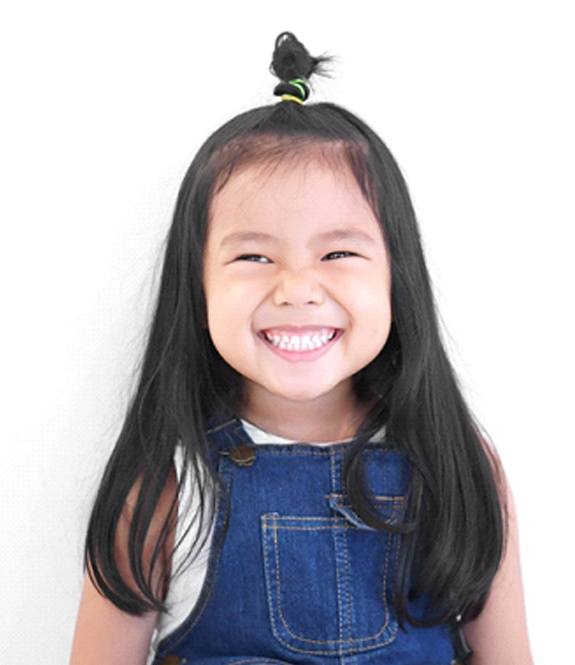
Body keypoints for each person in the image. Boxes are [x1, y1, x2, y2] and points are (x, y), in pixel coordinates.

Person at [69, 31, 534, 665]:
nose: (296, 290)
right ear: (197, 281)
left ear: (397, 275)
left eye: (339, 253)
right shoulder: (170, 483)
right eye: (253, 256)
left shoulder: (457, 463)